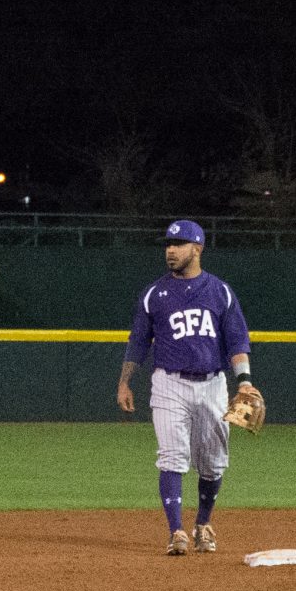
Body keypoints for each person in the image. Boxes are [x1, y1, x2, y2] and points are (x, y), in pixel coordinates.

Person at [114, 219, 251, 556]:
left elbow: (236, 341)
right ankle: (176, 530)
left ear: (197, 248)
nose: (170, 250)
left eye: (178, 244)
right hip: (168, 383)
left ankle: (203, 523)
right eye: (168, 244)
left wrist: (245, 381)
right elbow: (137, 343)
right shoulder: (154, 294)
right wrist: (125, 381)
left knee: (214, 463)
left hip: (213, 385)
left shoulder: (220, 291)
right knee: (172, 457)